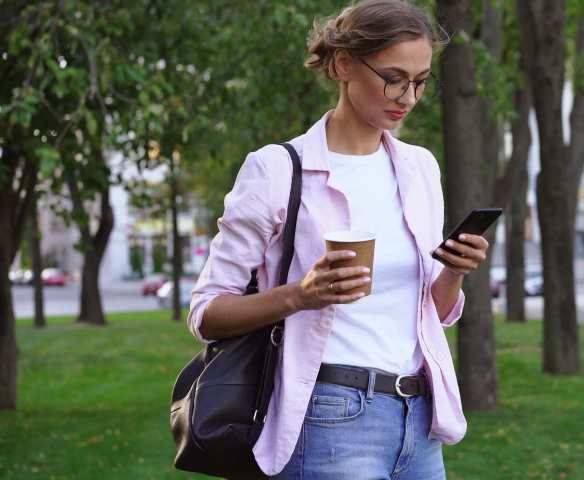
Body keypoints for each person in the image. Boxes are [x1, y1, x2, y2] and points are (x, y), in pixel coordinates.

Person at [187, 1, 488, 478]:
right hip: (328, 417)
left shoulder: (419, 169)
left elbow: (433, 311)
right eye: (394, 77)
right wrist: (300, 295)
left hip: (420, 421)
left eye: (421, 81)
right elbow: (206, 312)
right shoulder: (276, 169)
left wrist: (454, 268)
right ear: (344, 63)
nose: (408, 97)